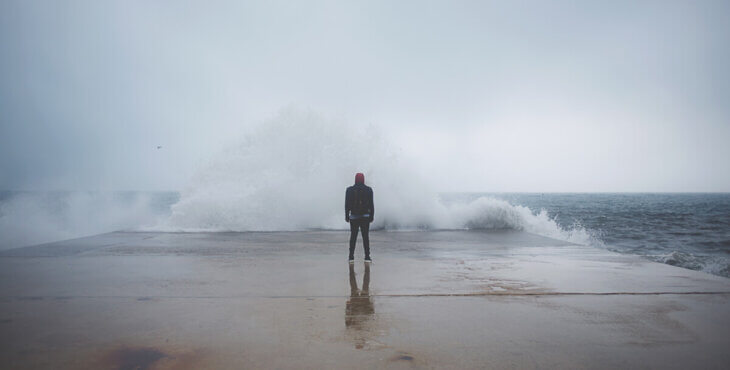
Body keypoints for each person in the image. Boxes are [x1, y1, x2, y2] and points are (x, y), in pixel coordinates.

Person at [345, 172, 374, 263]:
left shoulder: (349, 190)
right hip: (365, 217)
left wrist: (347, 215)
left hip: (353, 217)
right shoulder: (369, 190)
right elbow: (371, 204)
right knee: (365, 237)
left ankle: (351, 257)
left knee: (353, 237)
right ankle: (367, 257)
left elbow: (347, 204)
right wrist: (372, 216)